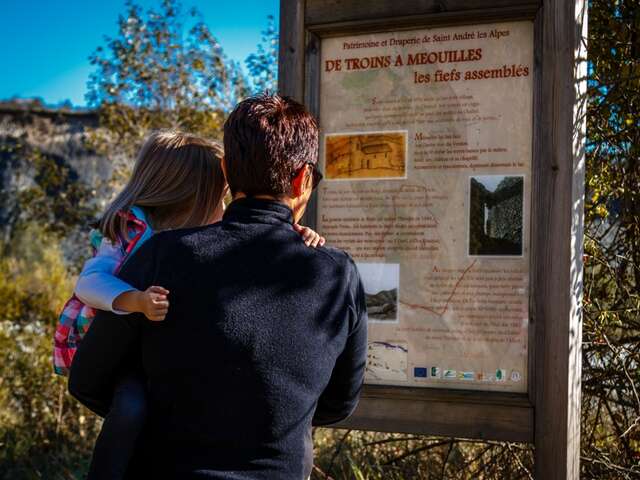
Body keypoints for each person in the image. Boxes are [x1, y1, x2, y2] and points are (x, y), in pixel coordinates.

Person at [69, 94, 368, 479]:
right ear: (303, 179)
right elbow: (338, 402)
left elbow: (88, 379)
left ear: (227, 170)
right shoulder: (336, 273)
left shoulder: (162, 256)